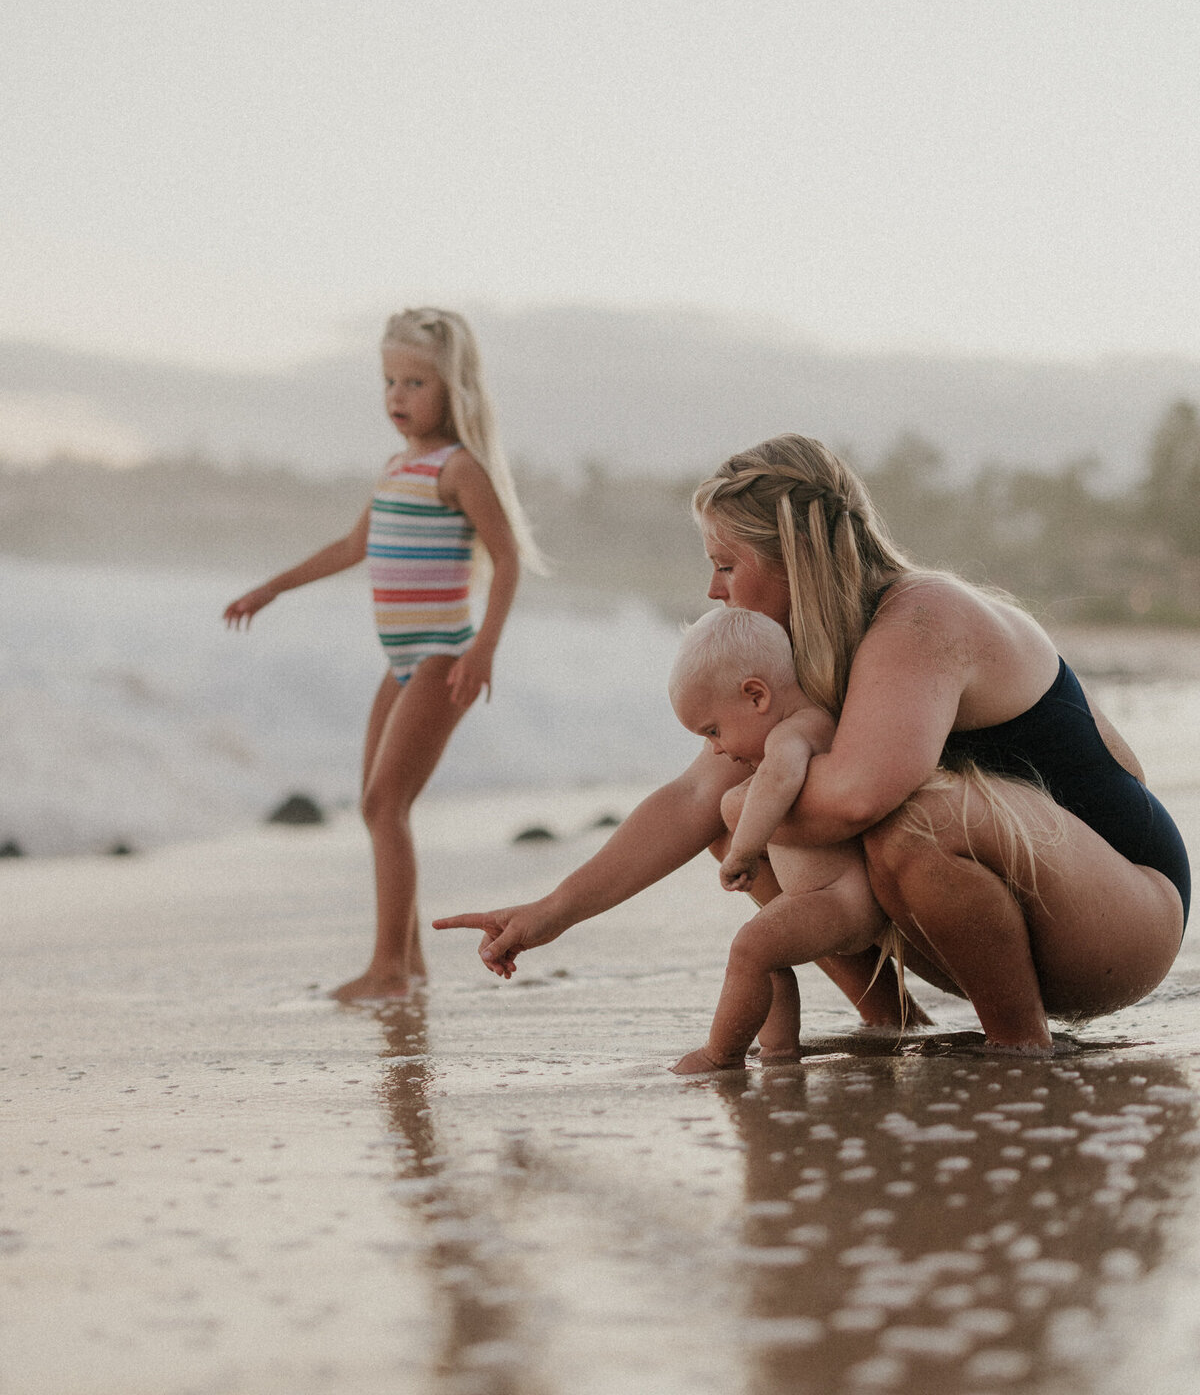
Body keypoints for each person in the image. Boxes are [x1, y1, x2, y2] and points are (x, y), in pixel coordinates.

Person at [434, 434, 1189, 1054]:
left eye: (727, 564)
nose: (713, 592)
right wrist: (550, 911)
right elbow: (695, 798)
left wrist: (736, 804)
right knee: (747, 802)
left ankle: (1018, 1046)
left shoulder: (921, 617)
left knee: (901, 817)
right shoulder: (791, 663)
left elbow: (856, 796)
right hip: (1017, 916)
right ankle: (892, 1019)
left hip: (1125, 912)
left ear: (794, 558)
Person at [225, 308, 542, 1001]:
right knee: (379, 805)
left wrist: (483, 649)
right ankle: (410, 964)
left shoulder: (459, 469)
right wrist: (271, 587)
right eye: (390, 381)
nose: (398, 396)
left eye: (416, 382)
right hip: (399, 662)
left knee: (383, 802)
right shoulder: (398, 465)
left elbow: (509, 560)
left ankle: (389, 969)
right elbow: (351, 545)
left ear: (453, 388)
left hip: (441, 657)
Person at [667, 606, 894, 1073]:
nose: (716, 748)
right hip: (829, 898)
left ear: (756, 696)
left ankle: (720, 1054)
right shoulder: (808, 723)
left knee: (750, 949)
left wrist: (745, 850)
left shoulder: (796, 731)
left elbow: (777, 779)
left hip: (839, 901)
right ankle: (778, 1051)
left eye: (714, 730)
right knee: (766, 957)